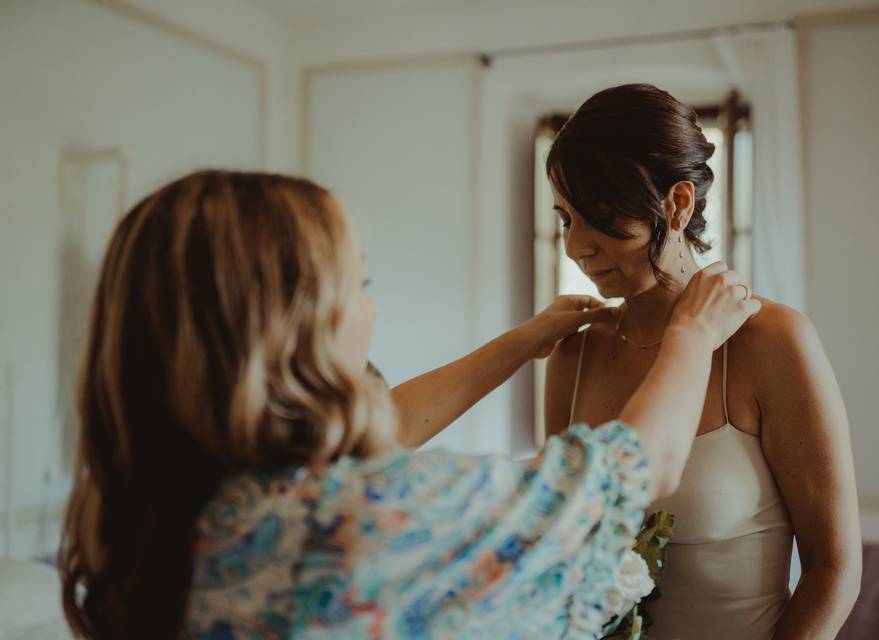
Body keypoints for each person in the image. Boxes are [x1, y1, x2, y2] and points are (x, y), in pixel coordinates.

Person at [58, 170, 757, 639]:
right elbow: (631, 470)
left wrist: (521, 342)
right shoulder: (363, 522)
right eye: (358, 283)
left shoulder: (155, 510)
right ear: (297, 324)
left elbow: (377, 427)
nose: (372, 307)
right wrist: (693, 334)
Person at [544, 84, 861, 639]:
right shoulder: (573, 353)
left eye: (600, 216)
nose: (576, 246)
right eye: (566, 219)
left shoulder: (771, 341)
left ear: (678, 203)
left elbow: (834, 568)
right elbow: (559, 544)